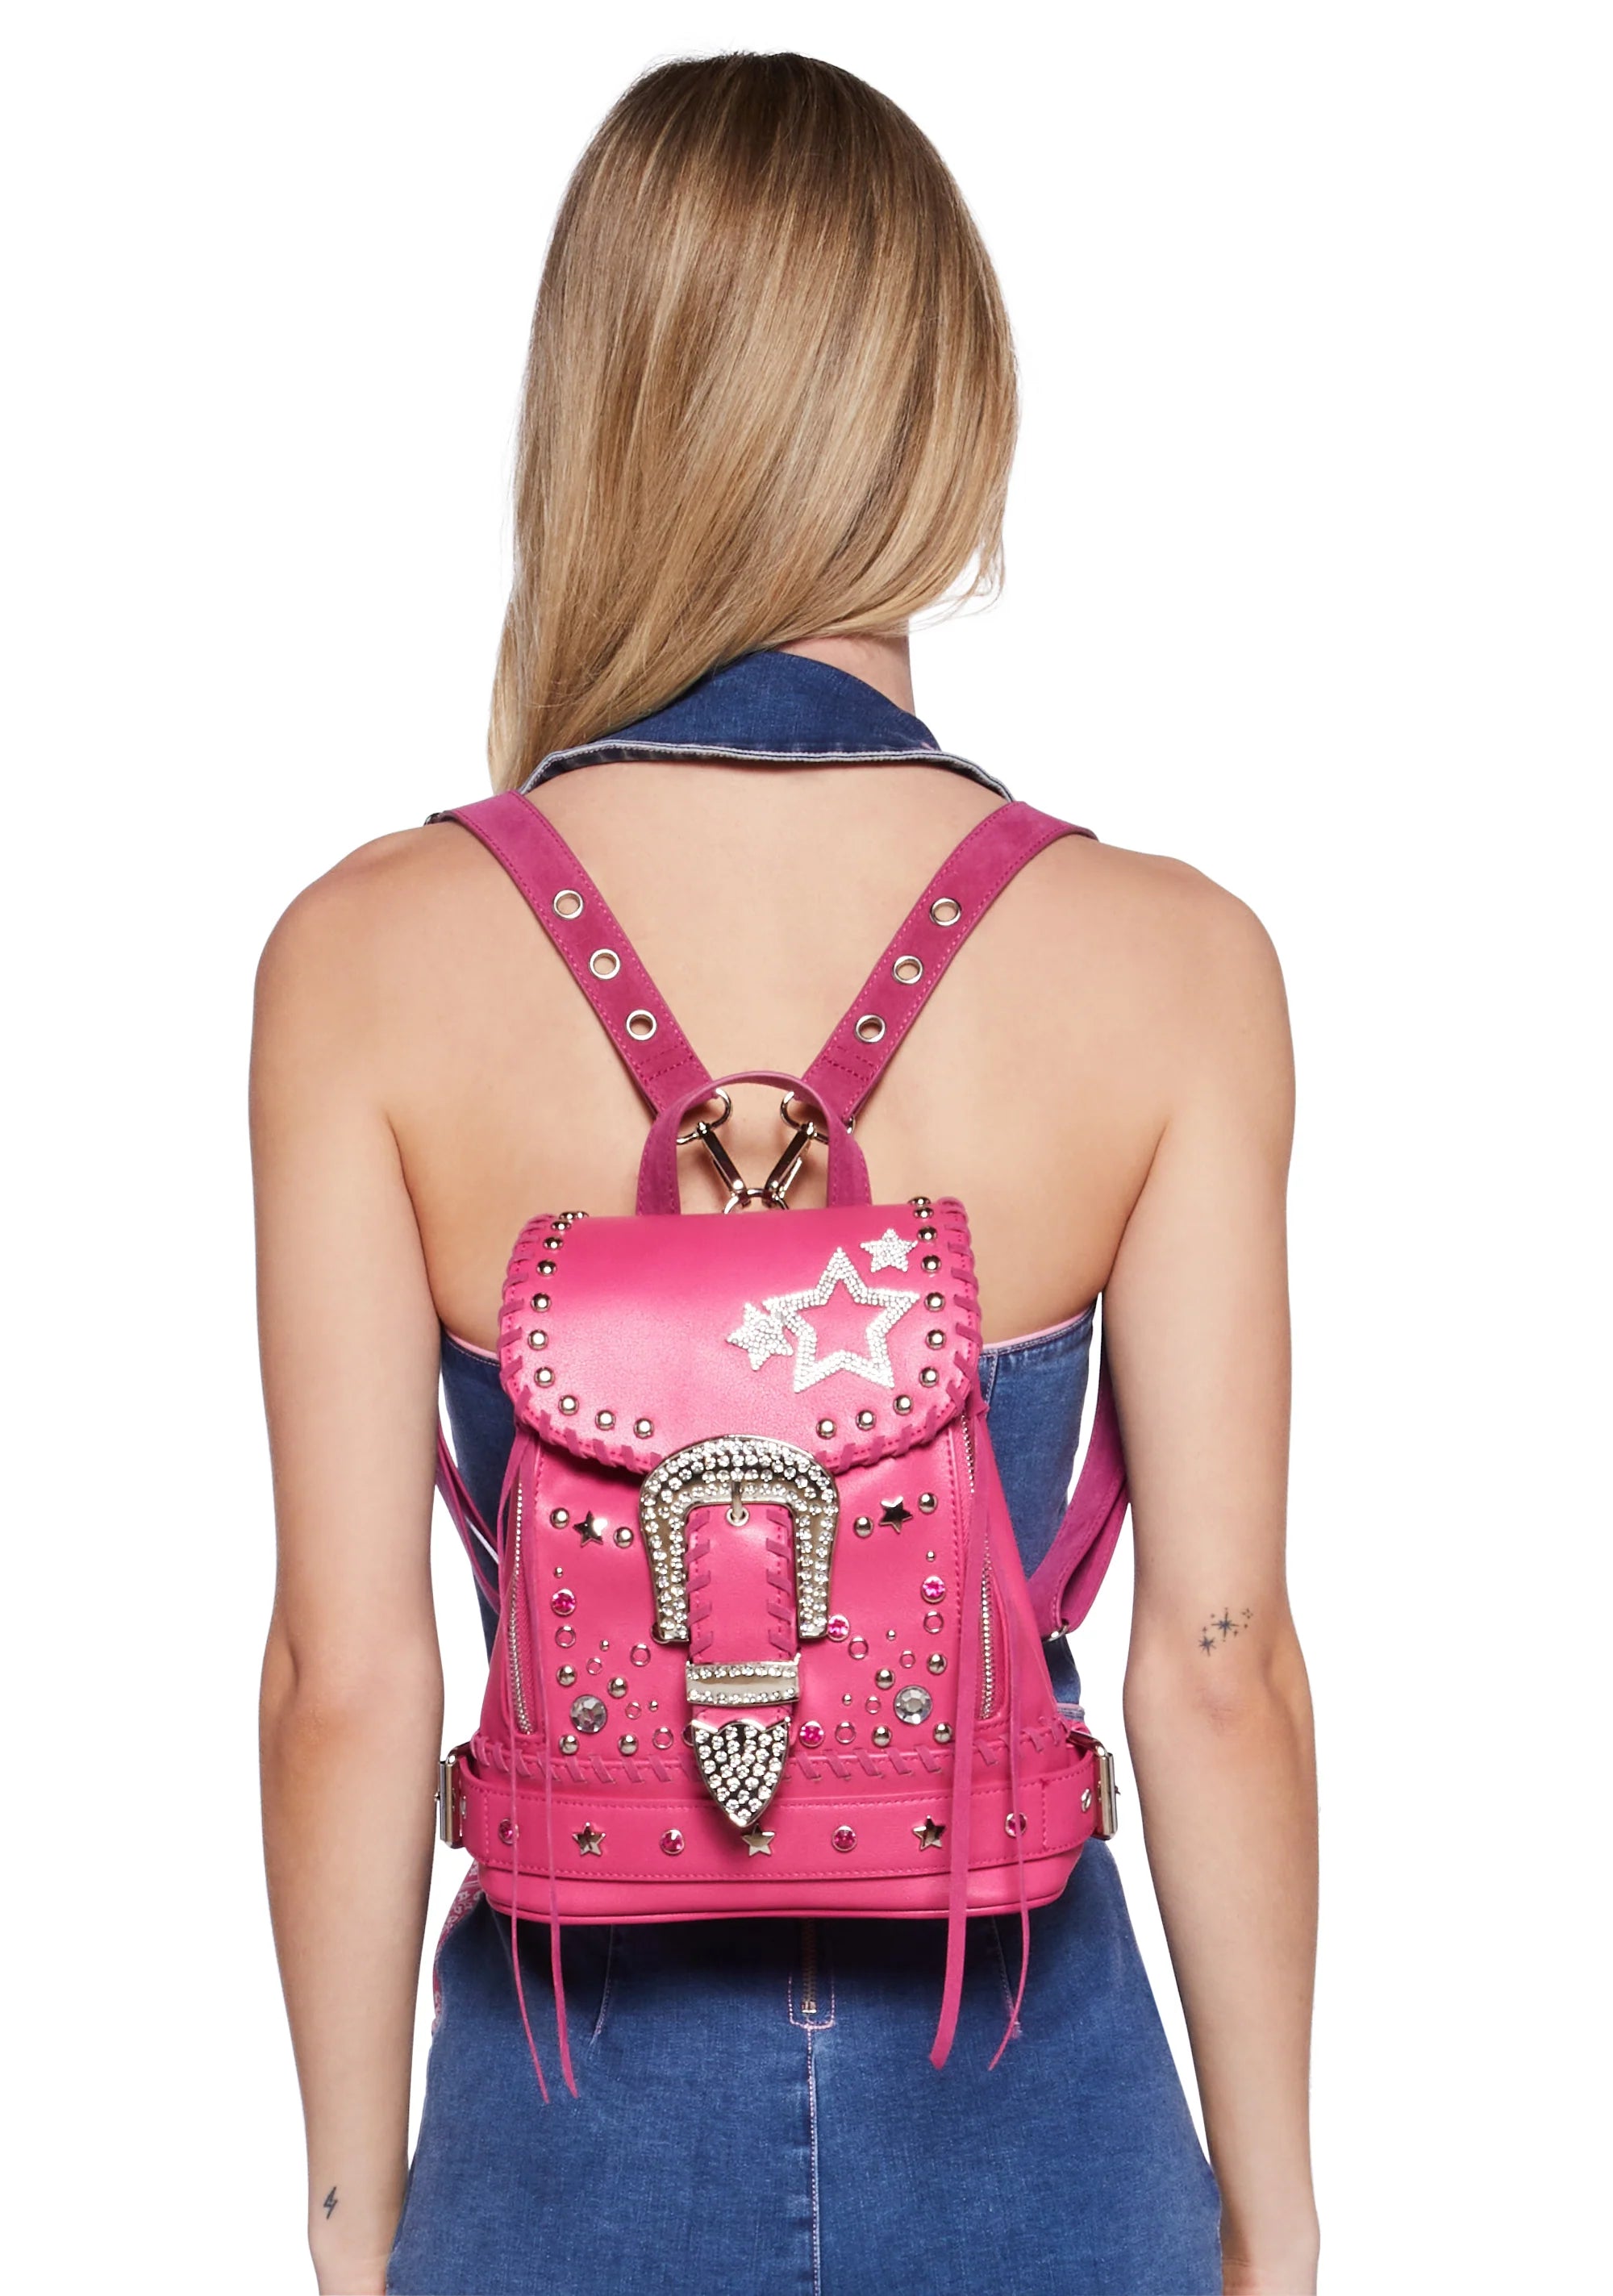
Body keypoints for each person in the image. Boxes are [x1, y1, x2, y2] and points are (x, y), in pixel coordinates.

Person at [254, 51, 1319, 2296]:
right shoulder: (1172, 965)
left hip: (563, 2155)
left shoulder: (363, 962)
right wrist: (1280, 2222)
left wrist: (355, 2234)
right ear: (945, 412)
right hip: (1041, 2138)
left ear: (602, 412)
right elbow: (1217, 1671)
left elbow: (346, 1686)